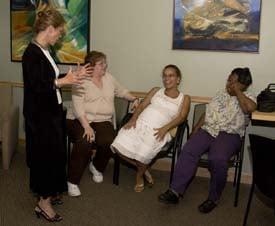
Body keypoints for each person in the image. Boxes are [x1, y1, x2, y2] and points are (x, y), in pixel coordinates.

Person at [22, 8, 92, 222]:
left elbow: (49, 78)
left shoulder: (45, 51)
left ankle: (48, 194)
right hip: (40, 118)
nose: (60, 35)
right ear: (50, 29)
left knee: (54, 158)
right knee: (45, 160)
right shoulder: (30, 53)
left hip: (52, 114)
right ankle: (43, 203)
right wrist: (63, 82)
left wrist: (70, 76)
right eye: (59, 31)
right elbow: (36, 85)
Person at [158, 67, 257, 213]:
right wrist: (196, 129)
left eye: (233, 81)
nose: (229, 84)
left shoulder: (249, 97)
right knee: (188, 150)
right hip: (208, 130)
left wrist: (237, 92)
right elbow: (208, 114)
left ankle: (213, 197)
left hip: (229, 134)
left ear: (243, 84)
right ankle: (175, 191)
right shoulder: (220, 95)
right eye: (229, 80)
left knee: (217, 158)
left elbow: (249, 108)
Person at [66, 50, 138, 196]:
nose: (105, 66)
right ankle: (72, 181)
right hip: (79, 119)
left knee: (109, 140)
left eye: (105, 62)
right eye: (101, 63)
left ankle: (96, 166)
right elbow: (78, 106)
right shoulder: (80, 80)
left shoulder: (109, 78)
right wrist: (86, 127)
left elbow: (121, 91)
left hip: (102, 119)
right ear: (91, 66)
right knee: (85, 141)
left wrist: (133, 98)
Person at [111, 64, 191, 192]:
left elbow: (181, 117)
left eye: (171, 75)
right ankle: (144, 169)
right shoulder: (155, 91)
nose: (167, 79)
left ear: (178, 79)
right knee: (116, 146)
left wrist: (165, 129)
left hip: (158, 130)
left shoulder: (184, 98)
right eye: (164, 76)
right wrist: (132, 120)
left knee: (143, 155)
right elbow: (141, 106)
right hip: (140, 123)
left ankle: (139, 176)